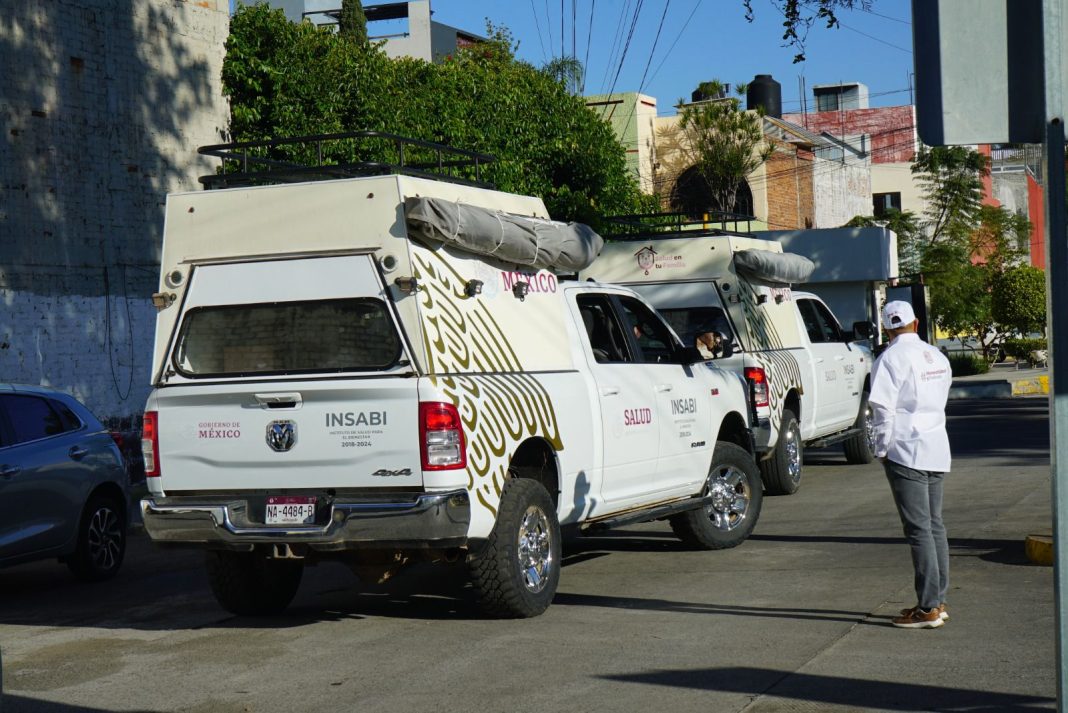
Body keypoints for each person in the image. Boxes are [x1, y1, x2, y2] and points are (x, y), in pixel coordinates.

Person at [869, 300, 953, 629]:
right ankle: (938, 601)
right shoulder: (936, 356)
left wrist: (881, 449)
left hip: (905, 449)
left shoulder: (889, 359)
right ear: (915, 323)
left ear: (886, 328)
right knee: (934, 525)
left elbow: (883, 409)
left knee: (919, 530)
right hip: (936, 446)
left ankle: (928, 607)